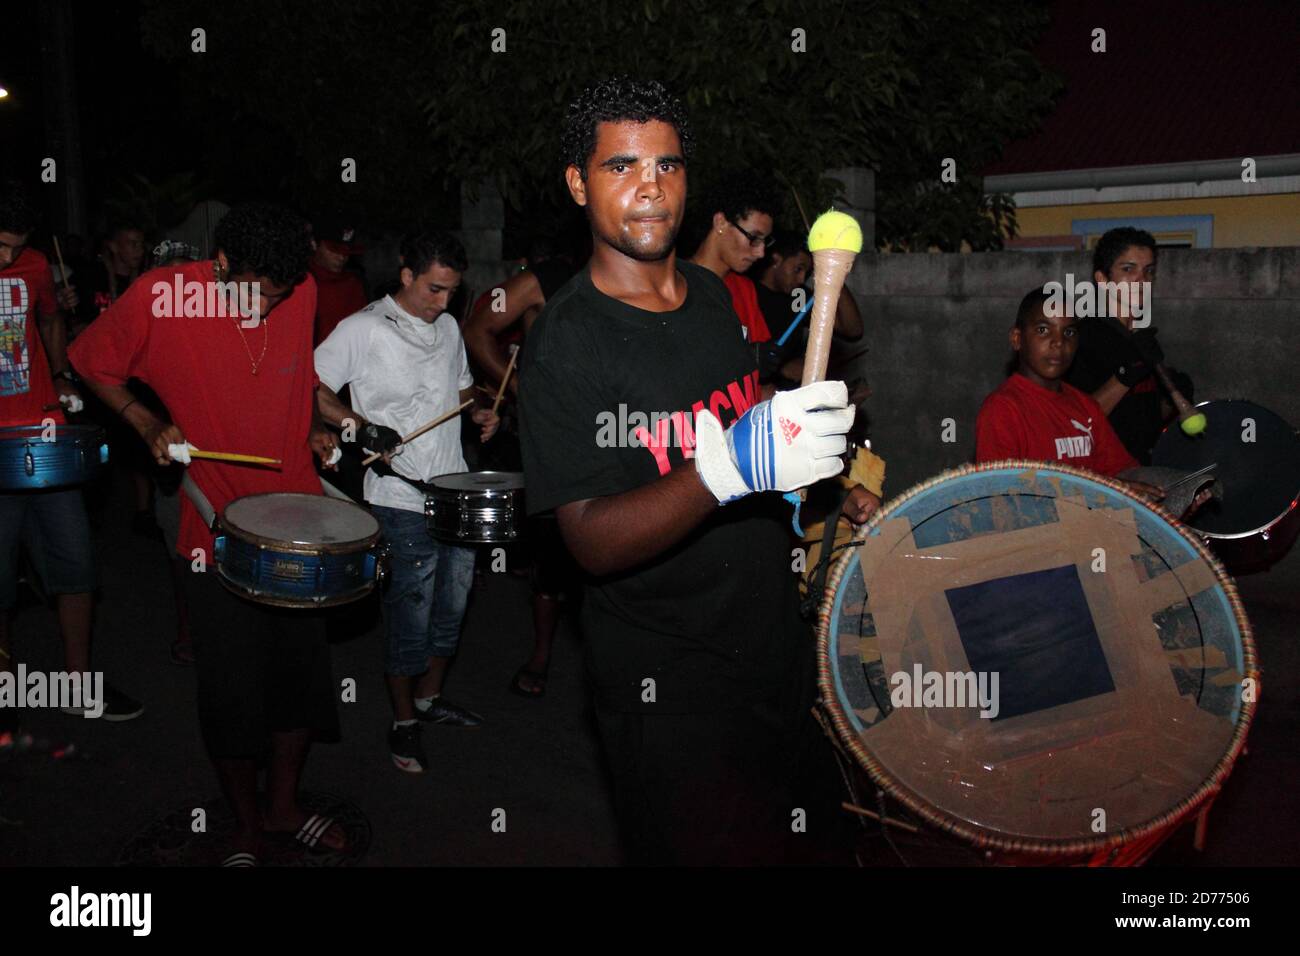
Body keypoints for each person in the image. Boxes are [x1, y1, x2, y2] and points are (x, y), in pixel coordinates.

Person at [518, 77, 860, 865]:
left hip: (771, 644)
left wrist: (790, 427)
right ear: (578, 183)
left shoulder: (711, 299)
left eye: (668, 166)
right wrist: (730, 468)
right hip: (666, 682)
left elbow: (727, 408)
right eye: (621, 167)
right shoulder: (566, 342)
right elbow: (590, 542)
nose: (650, 188)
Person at [71, 202, 351, 865]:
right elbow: (89, 359)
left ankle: (284, 808)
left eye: (279, 298)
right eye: (257, 293)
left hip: (299, 527)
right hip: (215, 530)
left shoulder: (299, 288)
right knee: (231, 695)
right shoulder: (163, 296)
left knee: (299, 689)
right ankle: (246, 824)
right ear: (222, 264)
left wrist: (313, 419)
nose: (267, 308)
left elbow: (296, 372)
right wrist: (144, 421)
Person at [315, 231, 499, 774]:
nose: (445, 304)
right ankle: (403, 724)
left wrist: (480, 409)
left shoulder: (446, 328)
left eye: (452, 292)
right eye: (436, 290)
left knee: (454, 607)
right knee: (410, 617)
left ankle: (428, 699)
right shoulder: (364, 328)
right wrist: (358, 425)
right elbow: (309, 384)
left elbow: (461, 390)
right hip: (399, 495)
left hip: (456, 491)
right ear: (407, 277)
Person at [0, 179, 143, 729]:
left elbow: (50, 318)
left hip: (45, 433)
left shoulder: (36, 265)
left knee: (76, 564)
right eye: (1, 245)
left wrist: (58, 371)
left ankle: (78, 685)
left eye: (17, 245)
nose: (10, 256)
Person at [463, 235, 583, 698]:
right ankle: (541, 655)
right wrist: (519, 390)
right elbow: (477, 329)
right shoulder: (543, 280)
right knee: (553, 549)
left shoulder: (632, 275)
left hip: (615, 434)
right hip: (553, 438)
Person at [976, 289, 1165, 500]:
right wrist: (1102, 488)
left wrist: (1172, 489)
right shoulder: (1002, 409)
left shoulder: (1085, 406)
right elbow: (1000, 496)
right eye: (1043, 330)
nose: (1058, 342)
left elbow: (1123, 472)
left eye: (1068, 333)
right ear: (1017, 339)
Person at [1065, 227, 1174, 464]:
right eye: (1128, 269)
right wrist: (1127, 373)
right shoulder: (1082, 339)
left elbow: (1143, 418)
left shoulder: (1143, 339)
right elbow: (1076, 423)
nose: (1141, 280)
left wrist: (1171, 401)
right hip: (1102, 479)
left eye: (1148, 271)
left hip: (1142, 472)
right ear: (1102, 279)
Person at [308, 218, 368, 346]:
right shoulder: (298, 281)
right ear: (314, 244)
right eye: (334, 250)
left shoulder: (353, 284)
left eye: (347, 252)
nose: (341, 257)